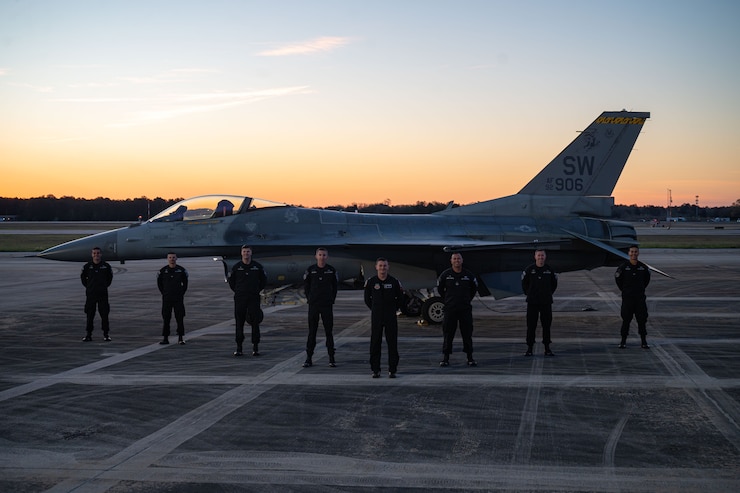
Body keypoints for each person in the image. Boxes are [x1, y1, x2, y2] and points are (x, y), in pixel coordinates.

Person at [364, 257, 403, 378]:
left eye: (384, 266)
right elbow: (367, 299)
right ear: (376, 267)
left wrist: (393, 309)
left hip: (390, 316)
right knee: (375, 342)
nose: (382, 268)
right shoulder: (371, 282)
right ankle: (375, 370)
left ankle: (392, 369)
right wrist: (375, 309)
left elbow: (400, 298)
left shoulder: (394, 281)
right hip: (376, 316)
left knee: (392, 343)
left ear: (388, 267)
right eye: (380, 266)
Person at [437, 252, 479, 367]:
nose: (457, 261)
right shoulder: (445, 275)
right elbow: (440, 289)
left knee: (467, 334)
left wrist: (466, 300)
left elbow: (474, 289)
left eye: (458, 259)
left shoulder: (468, 275)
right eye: (454, 259)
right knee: (448, 334)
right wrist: (448, 300)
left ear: (462, 260)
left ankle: (470, 358)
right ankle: (445, 358)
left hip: (464, 309)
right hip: (450, 309)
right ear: (451, 261)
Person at [302, 247, 338, 368]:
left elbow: (335, 287)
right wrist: (310, 299)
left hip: (327, 306)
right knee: (312, 332)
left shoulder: (331, 270)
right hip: (314, 305)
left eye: (324, 255)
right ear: (316, 256)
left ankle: (331, 358)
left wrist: (331, 300)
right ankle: (308, 358)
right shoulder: (311, 270)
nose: (322, 257)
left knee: (329, 332)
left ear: (327, 257)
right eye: (320, 255)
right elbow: (306, 287)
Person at [228, 245, 267, 356]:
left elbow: (263, 281)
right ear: (241, 253)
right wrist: (239, 291)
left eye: (248, 251)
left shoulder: (257, 267)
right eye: (244, 251)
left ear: (251, 253)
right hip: (240, 298)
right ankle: (239, 347)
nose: (246, 253)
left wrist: (255, 291)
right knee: (239, 322)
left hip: (253, 297)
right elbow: (232, 282)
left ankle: (255, 347)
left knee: (255, 322)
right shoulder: (236, 267)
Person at [521, 249, 558, 356]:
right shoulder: (529, 269)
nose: (540, 257)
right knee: (531, 325)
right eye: (539, 255)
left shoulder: (549, 270)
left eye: (542, 255)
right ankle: (529, 348)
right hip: (532, 303)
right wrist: (530, 294)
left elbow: (554, 284)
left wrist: (547, 294)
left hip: (546, 302)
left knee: (546, 326)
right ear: (535, 257)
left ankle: (547, 348)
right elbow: (524, 284)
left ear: (545, 257)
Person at [615, 244, 651, 349]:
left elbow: (646, 280)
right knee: (626, 320)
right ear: (628, 253)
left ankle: (644, 342)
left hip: (639, 299)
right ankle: (623, 341)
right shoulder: (623, 267)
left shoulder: (643, 267)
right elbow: (618, 280)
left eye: (635, 252)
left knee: (642, 320)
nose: (633, 254)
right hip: (628, 299)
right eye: (632, 252)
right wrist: (626, 291)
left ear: (638, 253)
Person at [80, 246, 113, 342]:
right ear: (92, 255)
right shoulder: (87, 267)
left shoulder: (106, 266)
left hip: (103, 294)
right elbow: (83, 279)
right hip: (91, 295)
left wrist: (103, 287)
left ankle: (106, 334)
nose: (96, 255)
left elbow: (109, 279)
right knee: (90, 315)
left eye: (98, 253)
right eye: (94, 253)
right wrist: (90, 287)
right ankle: (88, 334)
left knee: (104, 315)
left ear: (101, 254)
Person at [157, 252, 189, 345]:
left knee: (180, 318)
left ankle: (181, 337)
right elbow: (159, 284)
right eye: (170, 257)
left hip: (178, 298)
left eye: (173, 257)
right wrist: (164, 293)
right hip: (167, 298)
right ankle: (165, 338)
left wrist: (180, 293)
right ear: (167, 259)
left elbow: (185, 284)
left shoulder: (181, 270)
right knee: (166, 318)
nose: (172, 259)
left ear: (176, 258)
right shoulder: (163, 271)